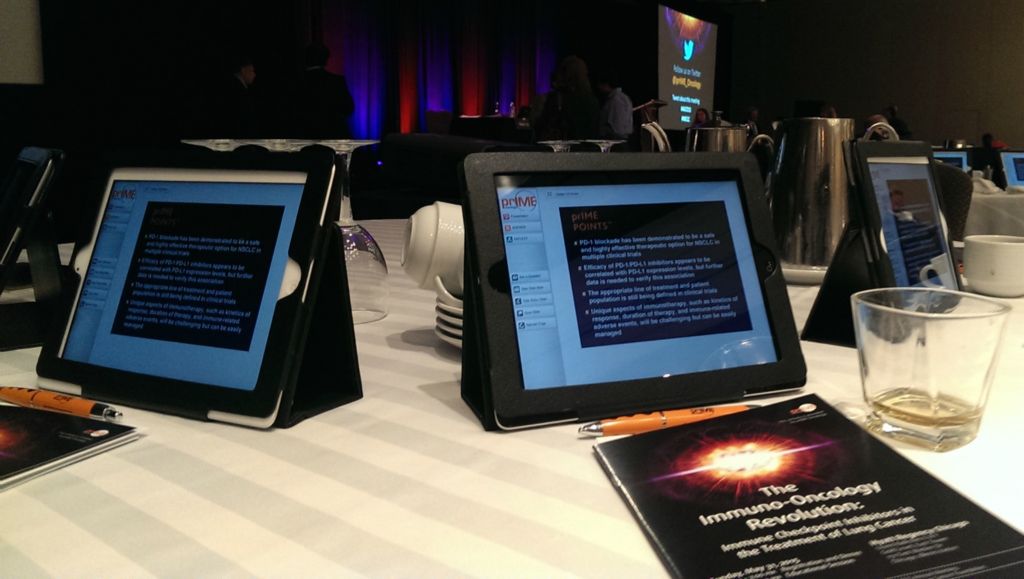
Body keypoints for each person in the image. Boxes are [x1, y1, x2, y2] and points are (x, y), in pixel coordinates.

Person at [295, 43, 355, 138]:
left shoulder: (295, 82)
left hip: (302, 136)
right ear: (326, 59)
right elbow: (348, 108)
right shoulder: (336, 81)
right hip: (331, 135)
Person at [534, 55, 599, 141]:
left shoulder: (556, 98)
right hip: (587, 149)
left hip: (562, 148)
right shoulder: (591, 100)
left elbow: (540, 125)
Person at [208, 53, 259, 137]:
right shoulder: (237, 90)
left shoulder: (232, 86)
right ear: (243, 70)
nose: (254, 74)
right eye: (252, 70)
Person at [592, 68, 633, 141]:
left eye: (600, 84)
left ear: (606, 84)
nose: (598, 87)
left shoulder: (617, 100)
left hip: (616, 143)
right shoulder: (613, 99)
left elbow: (618, 129)